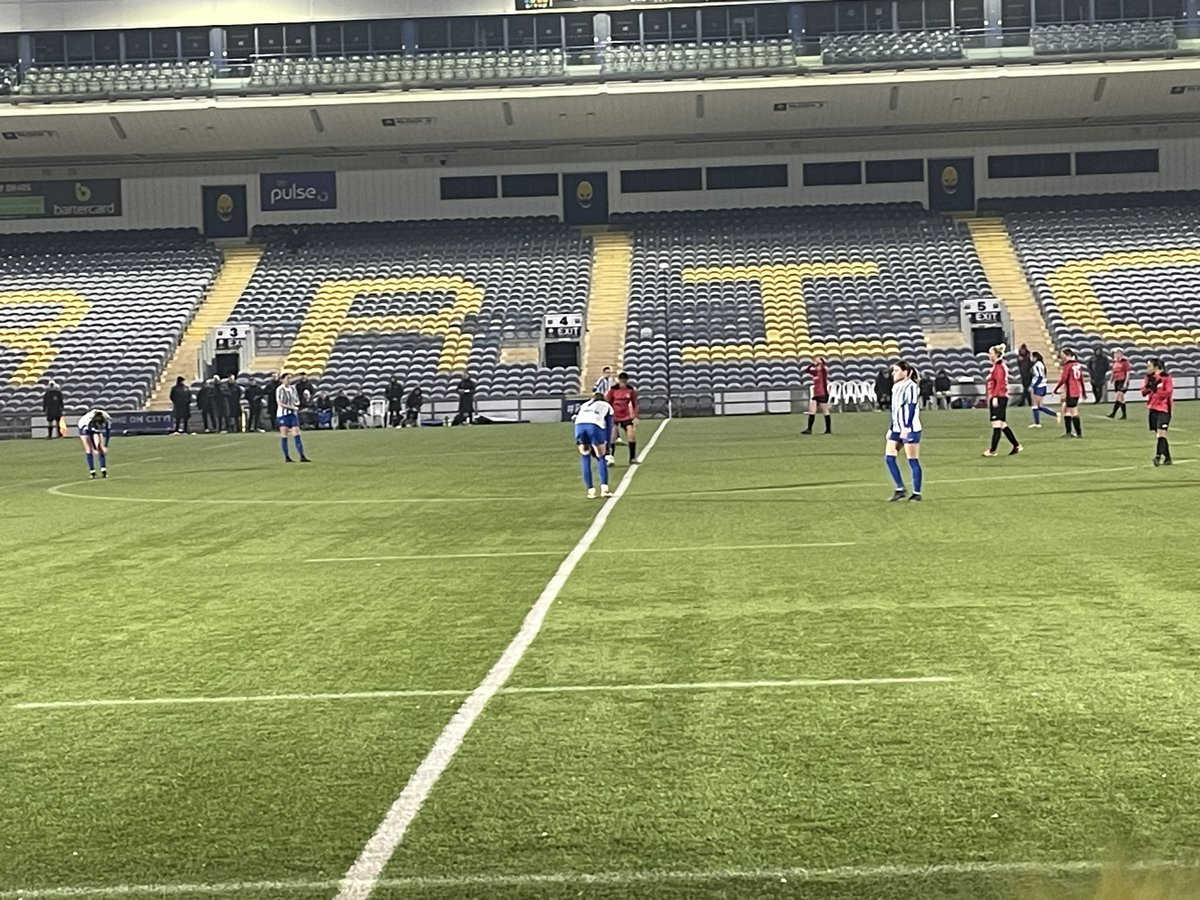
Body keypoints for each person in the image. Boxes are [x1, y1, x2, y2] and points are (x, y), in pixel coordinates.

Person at [883, 360, 923, 503]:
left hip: (910, 428)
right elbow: (895, 410)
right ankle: (900, 488)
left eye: (896, 371)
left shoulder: (911, 386)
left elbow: (912, 406)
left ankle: (917, 493)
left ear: (905, 372)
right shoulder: (896, 387)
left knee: (912, 460)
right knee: (889, 458)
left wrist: (906, 427)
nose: (893, 374)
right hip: (896, 427)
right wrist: (892, 427)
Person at [982, 343, 1022, 457]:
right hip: (1001, 396)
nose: (989, 356)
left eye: (990, 353)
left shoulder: (999, 367)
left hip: (999, 396)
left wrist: (994, 396)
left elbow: (999, 383)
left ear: (996, 354)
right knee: (1002, 424)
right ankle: (1016, 445)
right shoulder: (999, 366)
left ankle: (992, 450)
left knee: (996, 424)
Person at [574, 391, 614, 499]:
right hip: (594, 426)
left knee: (585, 457)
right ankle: (604, 488)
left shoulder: (585, 404)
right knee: (601, 457)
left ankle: (590, 490)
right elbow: (610, 426)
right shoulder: (607, 406)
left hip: (579, 426)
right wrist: (608, 444)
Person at [1143, 358, 1174, 467]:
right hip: (1153, 408)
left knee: (1161, 433)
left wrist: (1156, 390)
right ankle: (1168, 458)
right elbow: (1143, 392)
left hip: (1164, 409)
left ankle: (1157, 457)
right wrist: (1148, 387)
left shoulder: (1166, 377)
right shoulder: (1149, 378)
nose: (1147, 369)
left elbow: (1168, 392)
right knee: (1159, 435)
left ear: (1156, 367)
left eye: (1149, 366)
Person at [605, 371, 640, 465]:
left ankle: (632, 458)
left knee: (631, 435)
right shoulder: (613, 390)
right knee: (612, 436)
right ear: (619, 380)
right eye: (621, 381)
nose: (623, 383)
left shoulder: (630, 390)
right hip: (614, 416)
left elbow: (634, 403)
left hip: (626, 416)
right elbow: (607, 403)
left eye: (624, 381)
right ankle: (610, 457)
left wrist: (636, 416)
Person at [275, 373, 311, 463]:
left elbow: (296, 401)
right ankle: (287, 457)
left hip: (293, 414)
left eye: (290, 378)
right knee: (284, 435)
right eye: (288, 378)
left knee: (297, 434)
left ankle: (302, 456)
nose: (289, 380)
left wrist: (303, 399)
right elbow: (280, 403)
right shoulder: (280, 389)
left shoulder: (292, 389)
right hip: (283, 415)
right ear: (282, 380)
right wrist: (291, 407)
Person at [1055, 349, 1088, 438]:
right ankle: (1070, 432)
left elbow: (1064, 378)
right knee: (1066, 409)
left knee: (1073, 411)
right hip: (1076, 390)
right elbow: (1081, 379)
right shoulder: (1077, 365)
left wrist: (1056, 388)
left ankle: (1077, 433)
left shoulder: (1068, 365)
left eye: (1064, 355)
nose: (1062, 357)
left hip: (1071, 390)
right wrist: (1083, 391)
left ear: (1068, 355)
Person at [801, 356, 832, 435]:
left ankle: (828, 429)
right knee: (812, 411)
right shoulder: (816, 373)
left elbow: (822, 367)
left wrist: (820, 362)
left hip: (822, 393)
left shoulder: (823, 371)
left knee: (825, 411)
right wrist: (811, 365)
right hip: (816, 393)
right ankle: (809, 429)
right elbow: (807, 370)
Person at [78, 408, 112, 479]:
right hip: (83, 426)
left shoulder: (107, 418)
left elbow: (108, 432)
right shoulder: (88, 421)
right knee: (88, 449)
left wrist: (106, 445)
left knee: (100, 447)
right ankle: (92, 471)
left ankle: (103, 469)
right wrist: (94, 448)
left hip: (93, 425)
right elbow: (90, 435)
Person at [1028, 351, 1055, 428]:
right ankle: (1054, 415)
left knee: (1035, 405)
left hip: (1038, 386)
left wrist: (1033, 386)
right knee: (1039, 406)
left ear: (1035, 357)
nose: (1031, 358)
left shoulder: (1037, 365)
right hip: (1043, 385)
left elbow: (1039, 377)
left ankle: (1037, 423)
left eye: (1032, 357)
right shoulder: (1041, 364)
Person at [1106, 348, 1131, 420]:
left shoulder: (1125, 362)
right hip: (1117, 381)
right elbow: (1113, 371)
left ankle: (1113, 413)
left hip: (1122, 380)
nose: (1116, 354)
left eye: (1117, 353)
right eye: (1115, 353)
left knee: (1118, 397)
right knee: (1121, 399)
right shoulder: (1115, 362)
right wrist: (1111, 379)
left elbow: (1127, 372)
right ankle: (1124, 415)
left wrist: (1126, 382)